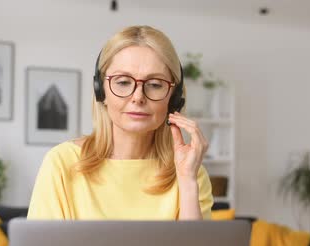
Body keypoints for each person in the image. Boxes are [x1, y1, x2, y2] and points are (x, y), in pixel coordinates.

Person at [27, 25, 213, 220]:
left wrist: (187, 181)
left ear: (174, 98)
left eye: (155, 85)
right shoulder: (62, 162)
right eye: (123, 82)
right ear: (101, 91)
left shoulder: (191, 172)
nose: (138, 97)